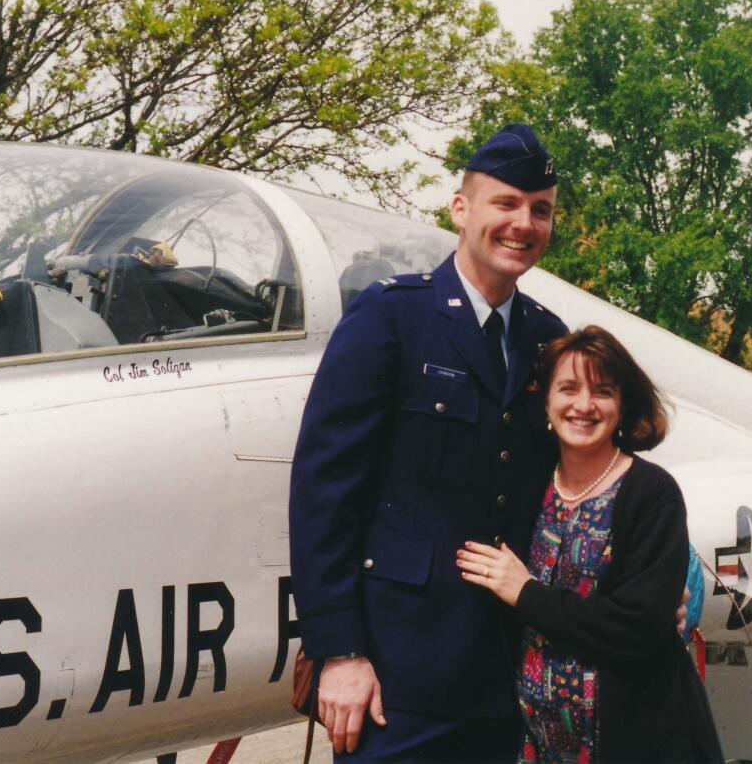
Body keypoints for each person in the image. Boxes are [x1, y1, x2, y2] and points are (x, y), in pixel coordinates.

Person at [288, 124, 567, 761]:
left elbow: (571, 484)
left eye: (541, 210)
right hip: (395, 679)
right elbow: (324, 492)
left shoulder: (547, 339)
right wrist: (340, 652)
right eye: (506, 203)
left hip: (502, 680)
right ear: (461, 209)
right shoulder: (392, 318)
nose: (523, 223)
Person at [458, 326, 723, 763]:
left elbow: (637, 628)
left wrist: (526, 593)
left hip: (631, 745)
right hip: (535, 745)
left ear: (623, 406)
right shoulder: (529, 485)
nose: (583, 405)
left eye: (602, 391)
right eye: (568, 388)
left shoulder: (651, 493)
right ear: (546, 402)